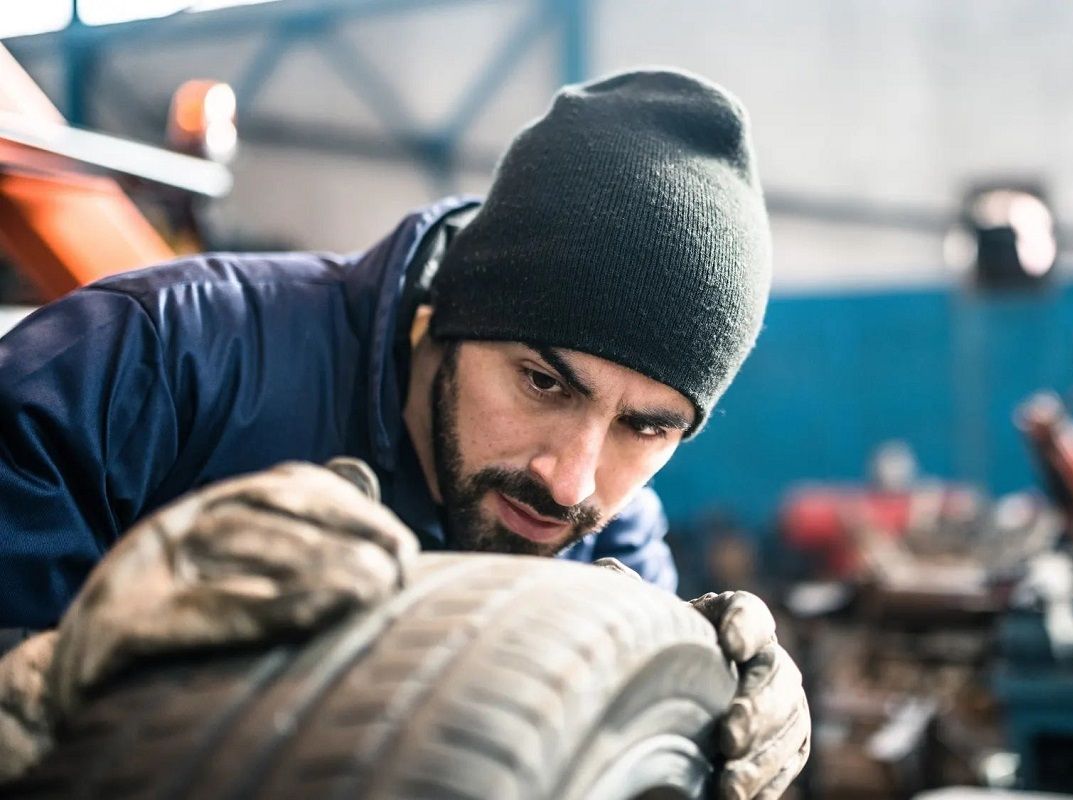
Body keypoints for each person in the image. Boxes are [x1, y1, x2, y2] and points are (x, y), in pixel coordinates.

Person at [0, 68, 808, 798]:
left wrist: (714, 712)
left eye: (645, 428)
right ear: (452, 313)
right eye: (543, 382)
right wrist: (52, 675)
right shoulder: (146, 361)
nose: (572, 481)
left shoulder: (610, 536)